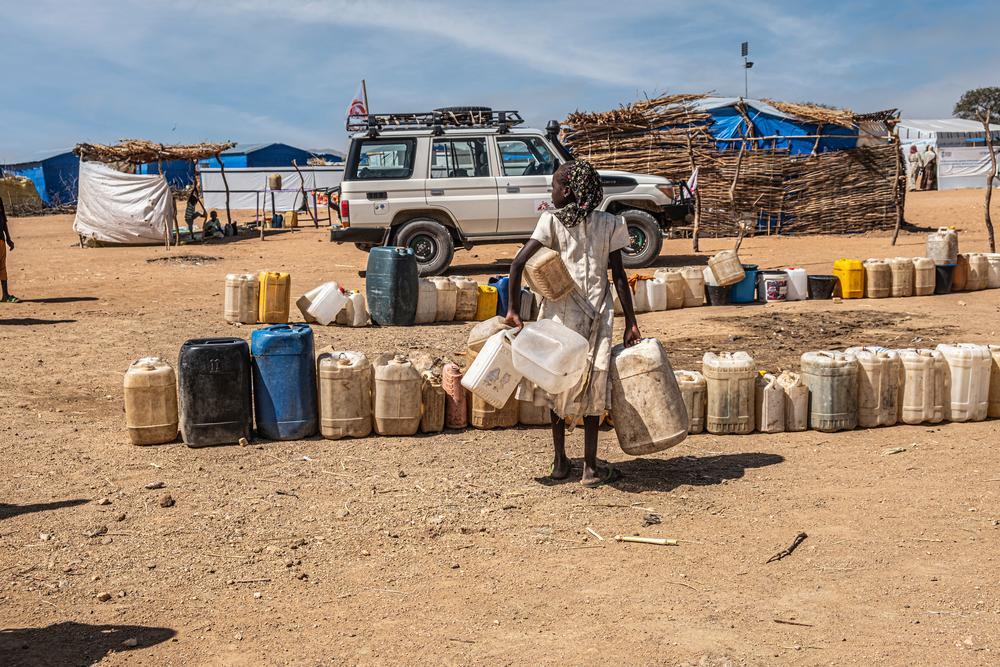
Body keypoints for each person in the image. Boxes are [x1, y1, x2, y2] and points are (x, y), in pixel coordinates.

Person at [505, 160, 641, 488]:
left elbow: (518, 263)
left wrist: (513, 308)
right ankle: (590, 467)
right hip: (597, 316)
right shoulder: (610, 224)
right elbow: (619, 277)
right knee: (594, 382)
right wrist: (631, 322)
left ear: (567, 191)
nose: (550, 192)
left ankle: (559, 461)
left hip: (558, 317)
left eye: (553, 187)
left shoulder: (551, 222)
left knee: (556, 380)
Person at [0, 196, 17, 303]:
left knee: (2, 268)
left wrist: (8, 239)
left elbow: (3, 220)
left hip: (0, 239)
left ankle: (5, 295)